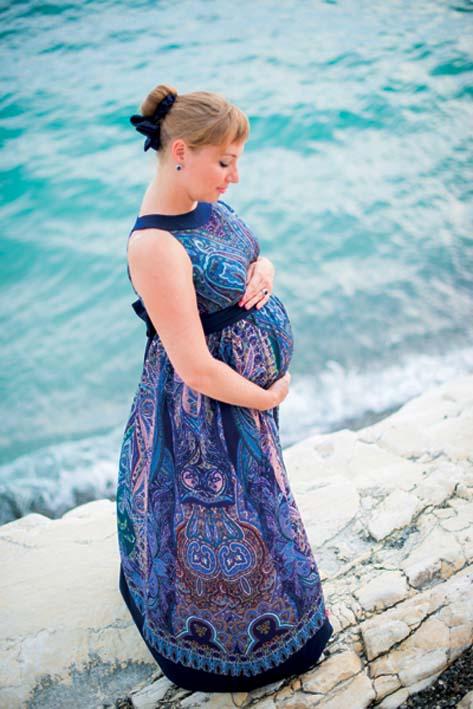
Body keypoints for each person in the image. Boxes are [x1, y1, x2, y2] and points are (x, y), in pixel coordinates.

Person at [116, 83, 333, 693]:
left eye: (237, 161)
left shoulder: (204, 200)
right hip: (202, 414)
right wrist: (266, 397)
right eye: (225, 162)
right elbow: (193, 366)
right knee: (218, 523)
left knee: (259, 509)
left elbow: (246, 258)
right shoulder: (154, 246)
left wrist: (265, 269)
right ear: (181, 151)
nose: (235, 177)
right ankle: (223, 651)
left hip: (242, 403)